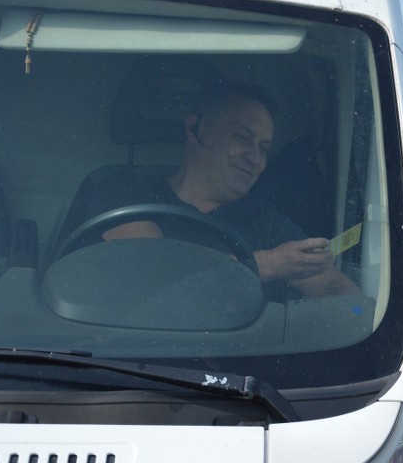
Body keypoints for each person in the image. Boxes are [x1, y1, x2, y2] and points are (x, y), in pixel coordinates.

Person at [81, 79, 359, 301]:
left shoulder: (269, 226)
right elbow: (153, 271)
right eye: (242, 137)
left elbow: (335, 290)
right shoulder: (123, 191)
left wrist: (362, 318)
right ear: (195, 129)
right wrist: (271, 264)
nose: (255, 158)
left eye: (263, 148)